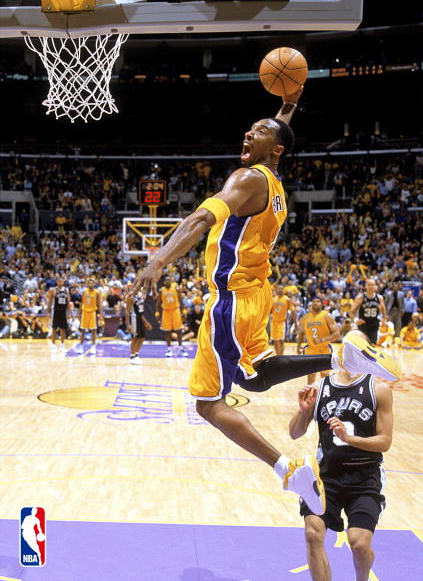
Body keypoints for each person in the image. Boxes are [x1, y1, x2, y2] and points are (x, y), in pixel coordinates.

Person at [129, 86, 400, 516]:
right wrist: (284, 112)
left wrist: (158, 259)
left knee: (208, 403)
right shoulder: (273, 181)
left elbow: (201, 217)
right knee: (256, 378)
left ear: (271, 149)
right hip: (255, 294)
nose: (246, 134)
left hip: (230, 300)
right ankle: (339, 357)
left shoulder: (247, 179)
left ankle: (286, 468)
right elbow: (277, 141)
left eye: (256, 131)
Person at [289, 332, 393, 581]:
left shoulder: (378, 389)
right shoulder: (320, 386)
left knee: (359, 543)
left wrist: (350, 439)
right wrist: (304, 412)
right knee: (313, 533)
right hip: (326, 476)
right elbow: (294, 432)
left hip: (364, 476)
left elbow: (384, 442)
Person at [297, 296, 339, 383]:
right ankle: (309, 396)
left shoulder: (327, 315)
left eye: (318, 301)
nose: (315, 303)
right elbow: (301, 333)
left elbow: (336, 334)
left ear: (322, 304)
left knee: (324, 376)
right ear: (311, 304)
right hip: (310, 349)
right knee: (311, 375)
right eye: (313, 301)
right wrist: (298, 346)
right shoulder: (305, 318)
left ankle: (324, 395)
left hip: (324, 349)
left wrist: (322, 340)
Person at [156, 275, 187, 357]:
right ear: (164, 282)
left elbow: (180, 299)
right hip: (166, 311)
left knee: (179, 330)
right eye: (166, 280)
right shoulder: (161, 290)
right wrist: (157, 313)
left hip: (175, 310)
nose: (168, 281)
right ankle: (169, 349)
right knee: (167, 331)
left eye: (169, 280)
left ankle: (180, 348)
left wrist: (183, 310)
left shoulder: (175, 287)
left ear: (171, 281)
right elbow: (158, 303)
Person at [349, 279, 387, 344]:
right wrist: (356, 320)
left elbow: (383, 308)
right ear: (365, 286)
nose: (370, 287)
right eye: (368, 285)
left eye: (372, 285)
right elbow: (351, 312)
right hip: (363, 324)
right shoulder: (360, 298)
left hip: (374, 324)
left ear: (375, 286)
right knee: (362, 345)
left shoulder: (379, 298)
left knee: (372, 344)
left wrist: (384, 318)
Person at [126, 291, 153, 365]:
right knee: (135, 338)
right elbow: (127, 311)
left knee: (142, 337)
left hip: (140, 318)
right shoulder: (130, 297)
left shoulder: (141, 295)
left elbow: (140, 312)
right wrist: (128, 324)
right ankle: (132, 356)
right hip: (134, 319)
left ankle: (136, 355)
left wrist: (145, 322)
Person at [78, 278, 103, 355]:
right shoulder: (84, 292)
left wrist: (100, 315)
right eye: (89, 283)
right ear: (87, 284)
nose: (91, 284)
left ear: (94, 284)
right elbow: (82, 303)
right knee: (82, 330)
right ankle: (81, 346)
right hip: (85, 312)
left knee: (93, 330)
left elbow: (99, 304)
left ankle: (93, 346)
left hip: (92, 312)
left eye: (92, 283)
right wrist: (79, 313)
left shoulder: (96, 293)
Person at [46, 274, 71, 352]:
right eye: (58, 281)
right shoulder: (53, 290)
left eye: (61, 281)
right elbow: (50, 301)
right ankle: (53, 345)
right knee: (54, 328)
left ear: (63, 281)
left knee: (63, 329)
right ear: (57, 282)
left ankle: (62, 345)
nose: (60, 282)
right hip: (56, 311)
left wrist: (69, 313)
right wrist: (48, 311)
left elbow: (68, 302)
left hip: (63, 311)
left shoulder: (66, 290)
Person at [270, 283, 295, 355]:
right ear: (276, 290)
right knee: (275, 341)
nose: (280, 290)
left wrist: (295, 323)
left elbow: (292, 311)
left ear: (283, 290)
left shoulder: (287, 299)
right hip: (274, 322)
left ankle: (281, 355)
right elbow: (269, 311)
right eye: (279, 288)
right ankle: (278, 355)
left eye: (281, 288)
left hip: (282, 322)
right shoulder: (273, 299)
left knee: (281, 340)